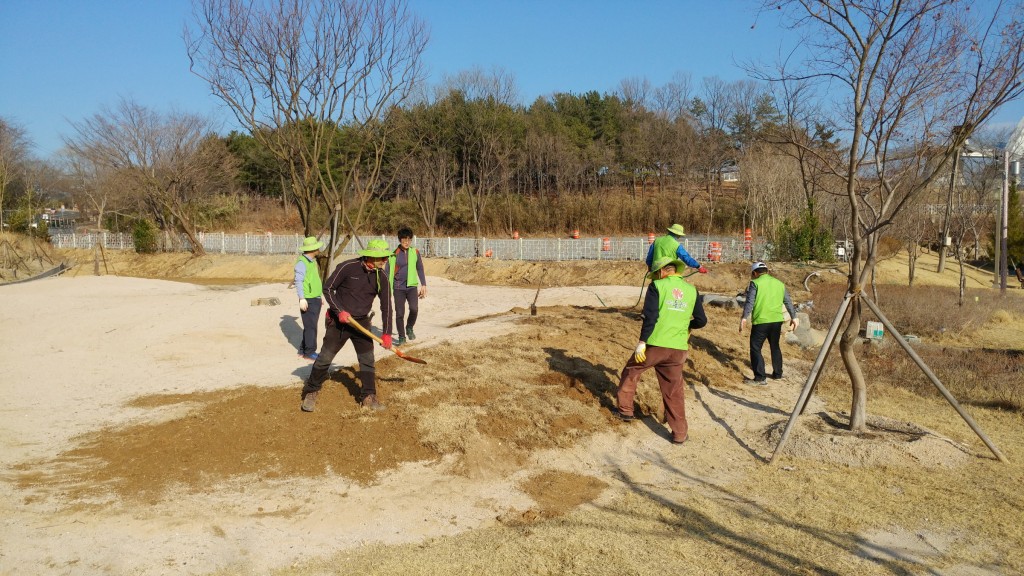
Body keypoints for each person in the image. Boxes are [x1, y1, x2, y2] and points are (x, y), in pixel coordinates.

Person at [615, 256, 708, 444]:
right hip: (678, 348)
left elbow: (650, 317)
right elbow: (701, 320)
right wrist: (687, 325)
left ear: (663, 271)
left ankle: (625, 410)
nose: (655, 277)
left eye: (656, 273)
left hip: (656, 344)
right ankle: (680, 433)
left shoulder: (657, 287)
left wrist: (642, 341)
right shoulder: (692, 290)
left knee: (632, 370)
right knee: (674, 389)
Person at [300, 239, 394, 412]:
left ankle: (368, 396)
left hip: (362, 324)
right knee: (325, 358)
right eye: (382, 258)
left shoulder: (382, 276)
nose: (385, 261)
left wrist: (387, 333)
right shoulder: (347, 267)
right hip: (340, 323)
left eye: (386, 258)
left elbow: (387, 306)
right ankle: (311, 390)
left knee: (367, 361)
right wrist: (339, 311)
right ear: (371, 257)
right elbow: (328, 288)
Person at [739, 261, 799, 385]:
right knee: (775, 346)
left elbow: (750, 302)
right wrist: (794, 317)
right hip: (777, 321)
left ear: (755, 273)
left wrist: (744, 317)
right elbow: (788, 301)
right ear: (767, 271)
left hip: (761, 321)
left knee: (755, 348)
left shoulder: (755, 283)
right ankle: (778, 374)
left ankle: (760, 378)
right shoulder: (779, 284)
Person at [388, 227, 427, 346]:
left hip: (411, 287)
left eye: (409, 239)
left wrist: (423, 284)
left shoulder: (415, 252)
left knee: (414, 309)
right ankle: (401, 337)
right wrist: (386, 289)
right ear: (400, 240)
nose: (407, 242)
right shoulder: (394, 254)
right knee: (399, 313)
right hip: (398, 287)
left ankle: (409, 327)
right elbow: (387, 272)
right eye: (404, 239)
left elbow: (419, 268)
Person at [294, 236, 324, 361]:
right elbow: (298, 281)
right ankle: (310, 352)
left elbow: (314, 280)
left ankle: (303, 349)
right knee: (311, 326)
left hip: (314, 297)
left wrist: (319, 296)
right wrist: (302, 298)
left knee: (309, 325)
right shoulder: (302, 263)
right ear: (313, 249)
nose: (319, 249)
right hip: (308, 299)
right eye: (317, 247)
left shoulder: (312, 261)